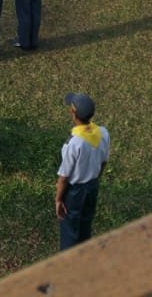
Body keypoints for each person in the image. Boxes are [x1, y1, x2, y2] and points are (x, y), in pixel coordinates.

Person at [56, 92, 110, 250]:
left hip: (75, 192)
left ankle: (69, 262)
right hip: (92, 186)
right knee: (86, 223)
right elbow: (104, 162)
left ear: (73, 114)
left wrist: (59, 200)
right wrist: (95, 179)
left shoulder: (73, 144)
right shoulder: (103, 133)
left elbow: (64, 178)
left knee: (70, 230)